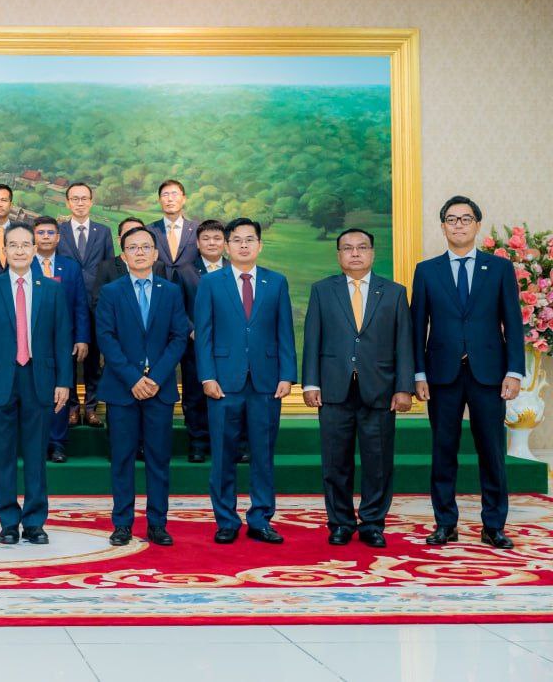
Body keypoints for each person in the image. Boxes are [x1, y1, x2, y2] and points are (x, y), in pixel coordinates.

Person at [412, 196, 525, 549]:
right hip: (441, 374)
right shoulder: (426, 270)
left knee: (492, 451)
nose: (458, 225)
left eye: (465, 218)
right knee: (443, 451)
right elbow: (417, 327)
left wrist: (515, 371)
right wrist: (418, 374)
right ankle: (445, 523)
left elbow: (513, 323)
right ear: (442, 226)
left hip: (489, 374)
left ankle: (494, 525)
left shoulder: (500, 268)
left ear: (477, 224)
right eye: (451, 219)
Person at [302, 229, 415, 548]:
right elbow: (312, 339)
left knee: (378, 462)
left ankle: (372, 523)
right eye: (348, 248)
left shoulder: (394, 292)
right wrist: (310, 382)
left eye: (362, 247)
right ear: (338, 255)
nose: (355, 253)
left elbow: (404, 342)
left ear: (372, 253)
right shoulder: (322, 290)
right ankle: (340, 522)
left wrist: (404, 387)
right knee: (335, 462)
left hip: (380, 389)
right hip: (333, 389)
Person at [194, 217, 296, 545]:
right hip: (223, 383)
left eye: (249, 239)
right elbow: (204, 335)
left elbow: (284, 332)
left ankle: (260, 519)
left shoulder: (276, 282)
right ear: (227, 246)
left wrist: (287, 375)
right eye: (236, 240)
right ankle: (226, 520)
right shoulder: (211, 283)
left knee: (262, 454)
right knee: (223, 455)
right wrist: (207, 376)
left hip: (266, 382)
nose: (243, 245)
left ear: (259, 245)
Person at [0, 223, 72, 544]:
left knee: (36, 455)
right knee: (2, 456)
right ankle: (9, 522)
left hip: (39, 380)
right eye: (13, 245)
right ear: (5, 251)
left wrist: (64, 381)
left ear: (35, 249)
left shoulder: (51, 289)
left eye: (26, 245)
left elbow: (61, 339)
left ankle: (35, 522)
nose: (19, 250)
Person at [96, 226, 189, 547]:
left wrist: (156, 377)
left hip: (159, 390)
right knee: (122, 459)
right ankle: (122, 523)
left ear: (156, 253)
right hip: (122, 389)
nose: (139, 252)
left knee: (158, 459)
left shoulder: (171, 292)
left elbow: (179, 337)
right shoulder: (111, 292)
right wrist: (133, 378)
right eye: (132, 247)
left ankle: (157, 524)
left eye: (145, 247)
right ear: (123, 256)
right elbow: (106, 338)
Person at [32, 216, 90, 462]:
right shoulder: (23, 264)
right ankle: (36, 442)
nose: (45, 237)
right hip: (30, 341)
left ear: (58, 238)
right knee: (33, 392)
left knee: (61, 390)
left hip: (63, 341)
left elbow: (80, 305)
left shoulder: (70, 267)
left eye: (50, 233)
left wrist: (82, 338)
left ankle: (57, 444)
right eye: (40, 232)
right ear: (33, 237)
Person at [172, 219, 230, 461]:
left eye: (217, 238)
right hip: (195, 345)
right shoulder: (184, 271)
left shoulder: (235, 269)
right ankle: (198, 442)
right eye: (206, 239)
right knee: (195, 395)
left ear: (225, 242)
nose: (212, 243)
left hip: (230, 347)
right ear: (197, 243)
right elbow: (177, 308)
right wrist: (192, 330)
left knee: (229, 393)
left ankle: (228, 443)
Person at [57, 183, 113, 428]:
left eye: (84, 198)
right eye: (74, 199)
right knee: (66, 358)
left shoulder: (104, 231)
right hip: (66, 303)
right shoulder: (59, 231)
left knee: (93, 359)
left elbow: (109, 267)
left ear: (91, 201)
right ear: (67, 203)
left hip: (96, 302)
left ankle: (91, 407)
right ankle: (71, 407)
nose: (79, 203)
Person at [92, 217, 150, 311]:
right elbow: (98, 303)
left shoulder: (156, 266)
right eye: (128, 233)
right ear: (119, 240)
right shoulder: (106, 267)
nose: (134, 238)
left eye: (139, 233)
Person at [148, 180, 198, 281]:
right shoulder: (149, 230)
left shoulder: (197, 229)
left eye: (174, 194)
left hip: (191, 285)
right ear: (159, 200)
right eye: (165, 195)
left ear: (184, 199)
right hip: (159, 285)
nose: (170, 199)